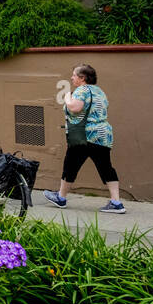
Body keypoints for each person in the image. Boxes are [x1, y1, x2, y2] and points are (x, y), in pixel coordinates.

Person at [44, 64, 125, 213]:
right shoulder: (99, 91)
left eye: (74, 75)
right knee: (106, 167)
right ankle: (116, 202)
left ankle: (61, 198)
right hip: (102, 135)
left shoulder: (82, 90)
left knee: (71, 165)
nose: (71, 77)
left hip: (84, 135)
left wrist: (67, 98)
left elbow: (75, 108)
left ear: (82, 78)